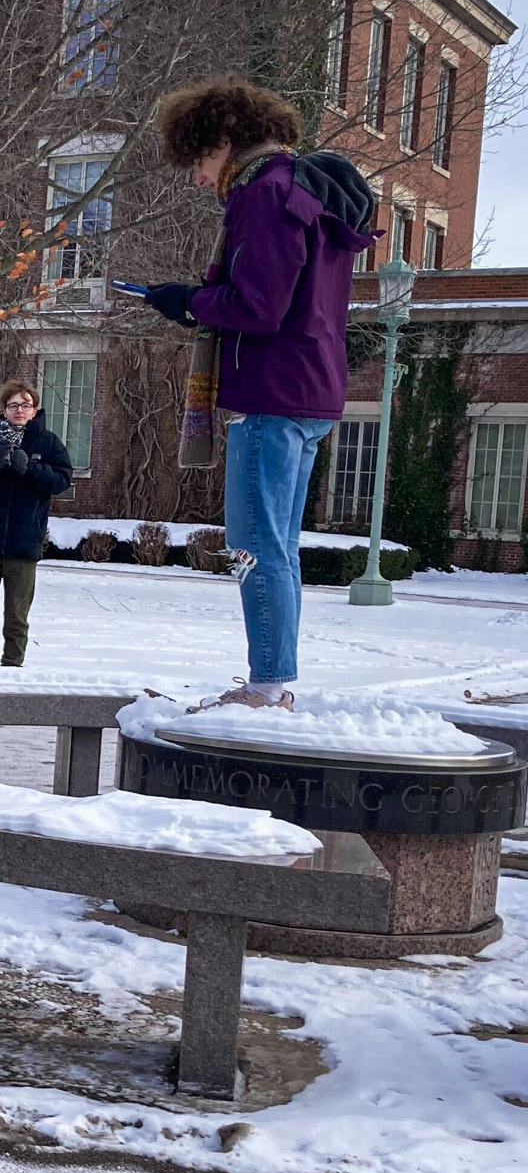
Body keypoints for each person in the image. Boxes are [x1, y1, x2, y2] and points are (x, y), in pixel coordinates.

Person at [144, 77, 377, 711]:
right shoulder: (306, 191)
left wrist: (188, 301)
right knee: (278, 547)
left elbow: (259, 306)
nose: (199, 178)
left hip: (273, 393)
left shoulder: (265, 194)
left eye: (197, 161)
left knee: (254, 546)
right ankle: (273, 680)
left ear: (223, 140)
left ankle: (267, 687)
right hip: (311, 387)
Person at [0, 379, 73, 668]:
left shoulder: (48, 442)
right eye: (13, 405)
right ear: (4, 409)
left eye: (25, 405)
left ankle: (12, 667)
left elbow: (61, 481)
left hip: (24, 544)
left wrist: (29, 468)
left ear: (34, 410)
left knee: (17, 616)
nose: (19, 410)